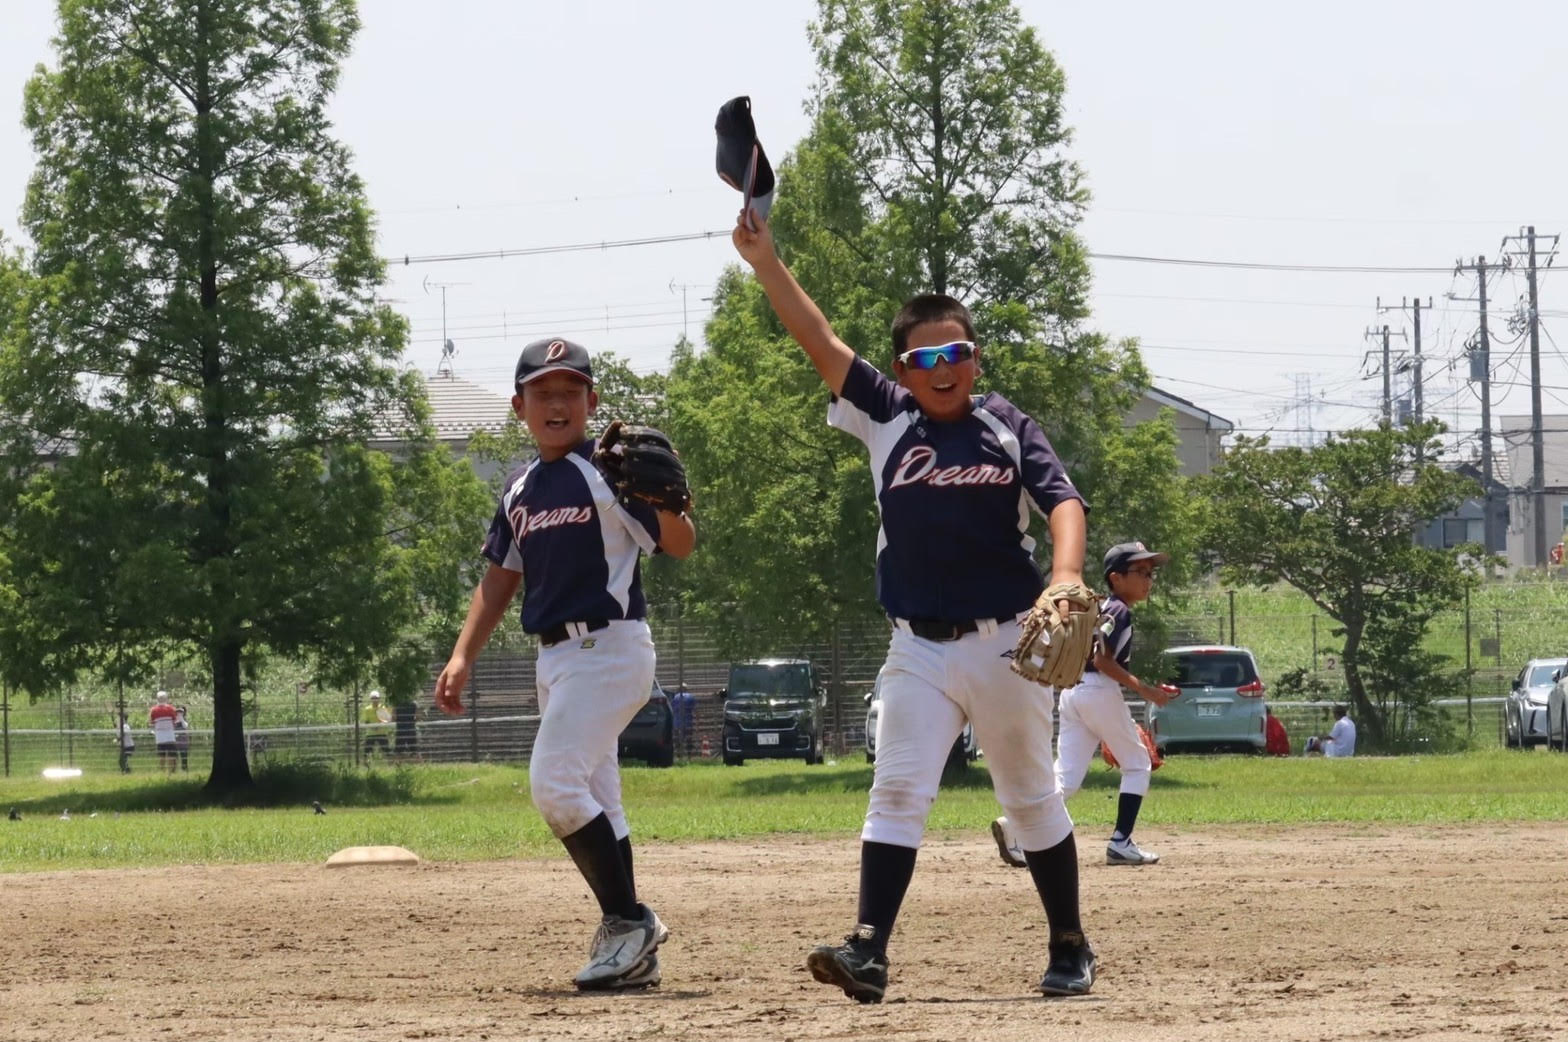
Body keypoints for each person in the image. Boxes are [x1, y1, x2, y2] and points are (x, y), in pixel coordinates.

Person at [733, 214, 1097, 1001]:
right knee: (897, 789)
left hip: (1005, 643)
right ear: (905, 365)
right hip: (917, 649)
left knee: (1029, 797)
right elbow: (819, 338)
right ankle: (869, 948)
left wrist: (1064, 577)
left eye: (956, 353)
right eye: (925, 357)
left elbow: (1063, 502)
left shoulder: (1006, 425)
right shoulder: (886, 413)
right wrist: (766, 262)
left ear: (974, 358)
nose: (942, 368)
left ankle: (1069, 942)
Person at [434, 336, 696, 992]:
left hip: (609, 649)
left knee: (554, 784)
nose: (557, 403)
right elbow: (499, 579)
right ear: (519, 406)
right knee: (599, 797)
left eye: (570, 391)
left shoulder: (610, 473)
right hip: (556, 660)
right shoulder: (520, 488)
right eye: (543, 393)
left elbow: (682, 545)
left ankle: (629, 922)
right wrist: (462, 654)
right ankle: (631, 947)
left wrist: (667, 502)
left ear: (592, 401)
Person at [993, 542, 1175, 869]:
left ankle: (1014, 827)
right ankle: (1121, 843)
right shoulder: (1119, 609)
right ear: (1116, 578)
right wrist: (1146, 691)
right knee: (1137, 764)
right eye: (1141, 572)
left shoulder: (1102, 608)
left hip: (1073, 692)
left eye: (1151, 573)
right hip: (1097, 690)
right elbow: (1102, 660)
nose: (1148, 579)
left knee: (1066, 778)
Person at [149, 691, 178, 775]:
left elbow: (151, 722)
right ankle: (171, 773)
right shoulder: (171, 708)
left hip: (159, 736)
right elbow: (174, 721)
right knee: (171, 755)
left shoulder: (153, 710)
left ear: (157, 699)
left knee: (161, 755)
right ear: (166, 698)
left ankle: (162, 772)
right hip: (169, 735)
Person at [361, 690, 392, 759]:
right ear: (371, 699)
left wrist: (379, 726)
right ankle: (365, 764)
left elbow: (386, 719)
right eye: (373, 698)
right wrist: (372, 727)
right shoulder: (367, 709)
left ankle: (391, 764)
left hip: (382, 732)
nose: (375, 700)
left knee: (386, 750)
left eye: (376, 698)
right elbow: (366, 721)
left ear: (379, 699)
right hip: (370, 733)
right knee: (367, 751)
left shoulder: (383, 708)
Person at [669, 685, 696, 759]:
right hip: (688, 722)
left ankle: (679, 756)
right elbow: (694, 709)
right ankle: (689, 756)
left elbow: (672, 708)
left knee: (678, 740)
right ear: (686, 689)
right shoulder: (690, 696)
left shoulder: (675, 697)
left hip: (677, 722)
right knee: (688, 739)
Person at [174, 705, 192, 772]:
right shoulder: (175, 720)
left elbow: (185, 726)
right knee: (174, 756)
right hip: (176, 740)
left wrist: (181, 718)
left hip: (183, 740)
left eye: (181, 711)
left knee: (184, 756)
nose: (179, 713)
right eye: (178, 711)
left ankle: (184, 769)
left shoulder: (184, 719)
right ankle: (174, 769)